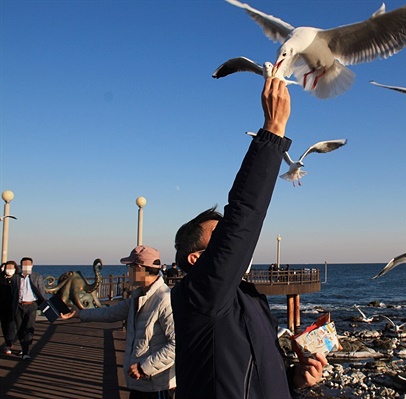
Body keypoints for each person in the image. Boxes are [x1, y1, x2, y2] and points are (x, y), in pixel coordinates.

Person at [171, 77, 327, 399]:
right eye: (220, 234)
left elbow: (253, 374)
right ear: (196, 258)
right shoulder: (198, 296)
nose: (229, 237)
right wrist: (272, 131)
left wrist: (293, 381)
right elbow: (242, 219)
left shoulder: (249, 299)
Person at [61, 245, 176, 398]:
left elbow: (177, 343)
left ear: (139, 268)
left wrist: (145, 368)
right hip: (140, 381)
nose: (128, 272)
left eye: (129, 267)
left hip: (156, 385)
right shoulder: (139, 295)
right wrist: (79, 314)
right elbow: (109, 313)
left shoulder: (164, 299)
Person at [13, 257, 45, 360]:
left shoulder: (37, 277)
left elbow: (41, 291)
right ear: (21, 266)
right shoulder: (16, 277)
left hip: (31, 305)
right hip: (18, 305)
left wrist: (42, 305)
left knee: (29, 327)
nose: (26, 266)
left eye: (28, 264)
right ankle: (24, 346)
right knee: (19, 328)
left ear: (31, 265)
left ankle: (26, 351)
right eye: (24, 264)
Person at [0, 261, 18, 354]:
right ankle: (8, 342)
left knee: (12, 324)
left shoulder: (18, 279)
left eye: (11, 268)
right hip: (3, 305)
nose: (9, 270)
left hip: (15, 305)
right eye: (7, 268)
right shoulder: (1, 278)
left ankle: (10, 343)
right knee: (4, 325)